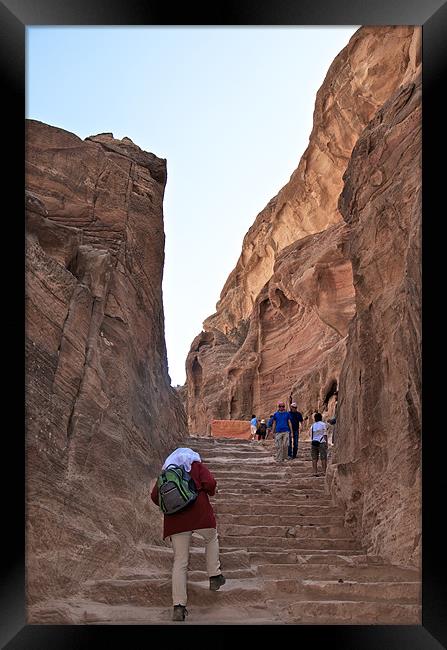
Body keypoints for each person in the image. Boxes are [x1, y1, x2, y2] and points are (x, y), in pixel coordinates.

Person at [150, 447, 226, 621]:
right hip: (200, 514)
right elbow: (211, 483)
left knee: (180, 561)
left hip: (175, 521)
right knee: (211, 538)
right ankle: (214, 575)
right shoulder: (195, 466)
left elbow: (155, 497)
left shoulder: (166, 473)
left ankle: (178, 606)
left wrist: (173, 505)